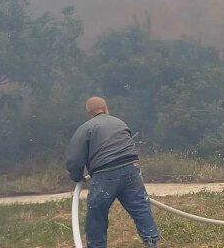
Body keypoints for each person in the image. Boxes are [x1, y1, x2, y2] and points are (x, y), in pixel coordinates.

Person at [65, 97, 160, 248]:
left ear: (88, 112)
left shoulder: (85, 128)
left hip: (105, 174)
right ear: (105, 108)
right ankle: (151, 242)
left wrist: (77, 177)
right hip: (131, 168)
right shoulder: (119, 122)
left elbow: (74, 158)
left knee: (97, 214)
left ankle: (96, 245)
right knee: (140, 206)